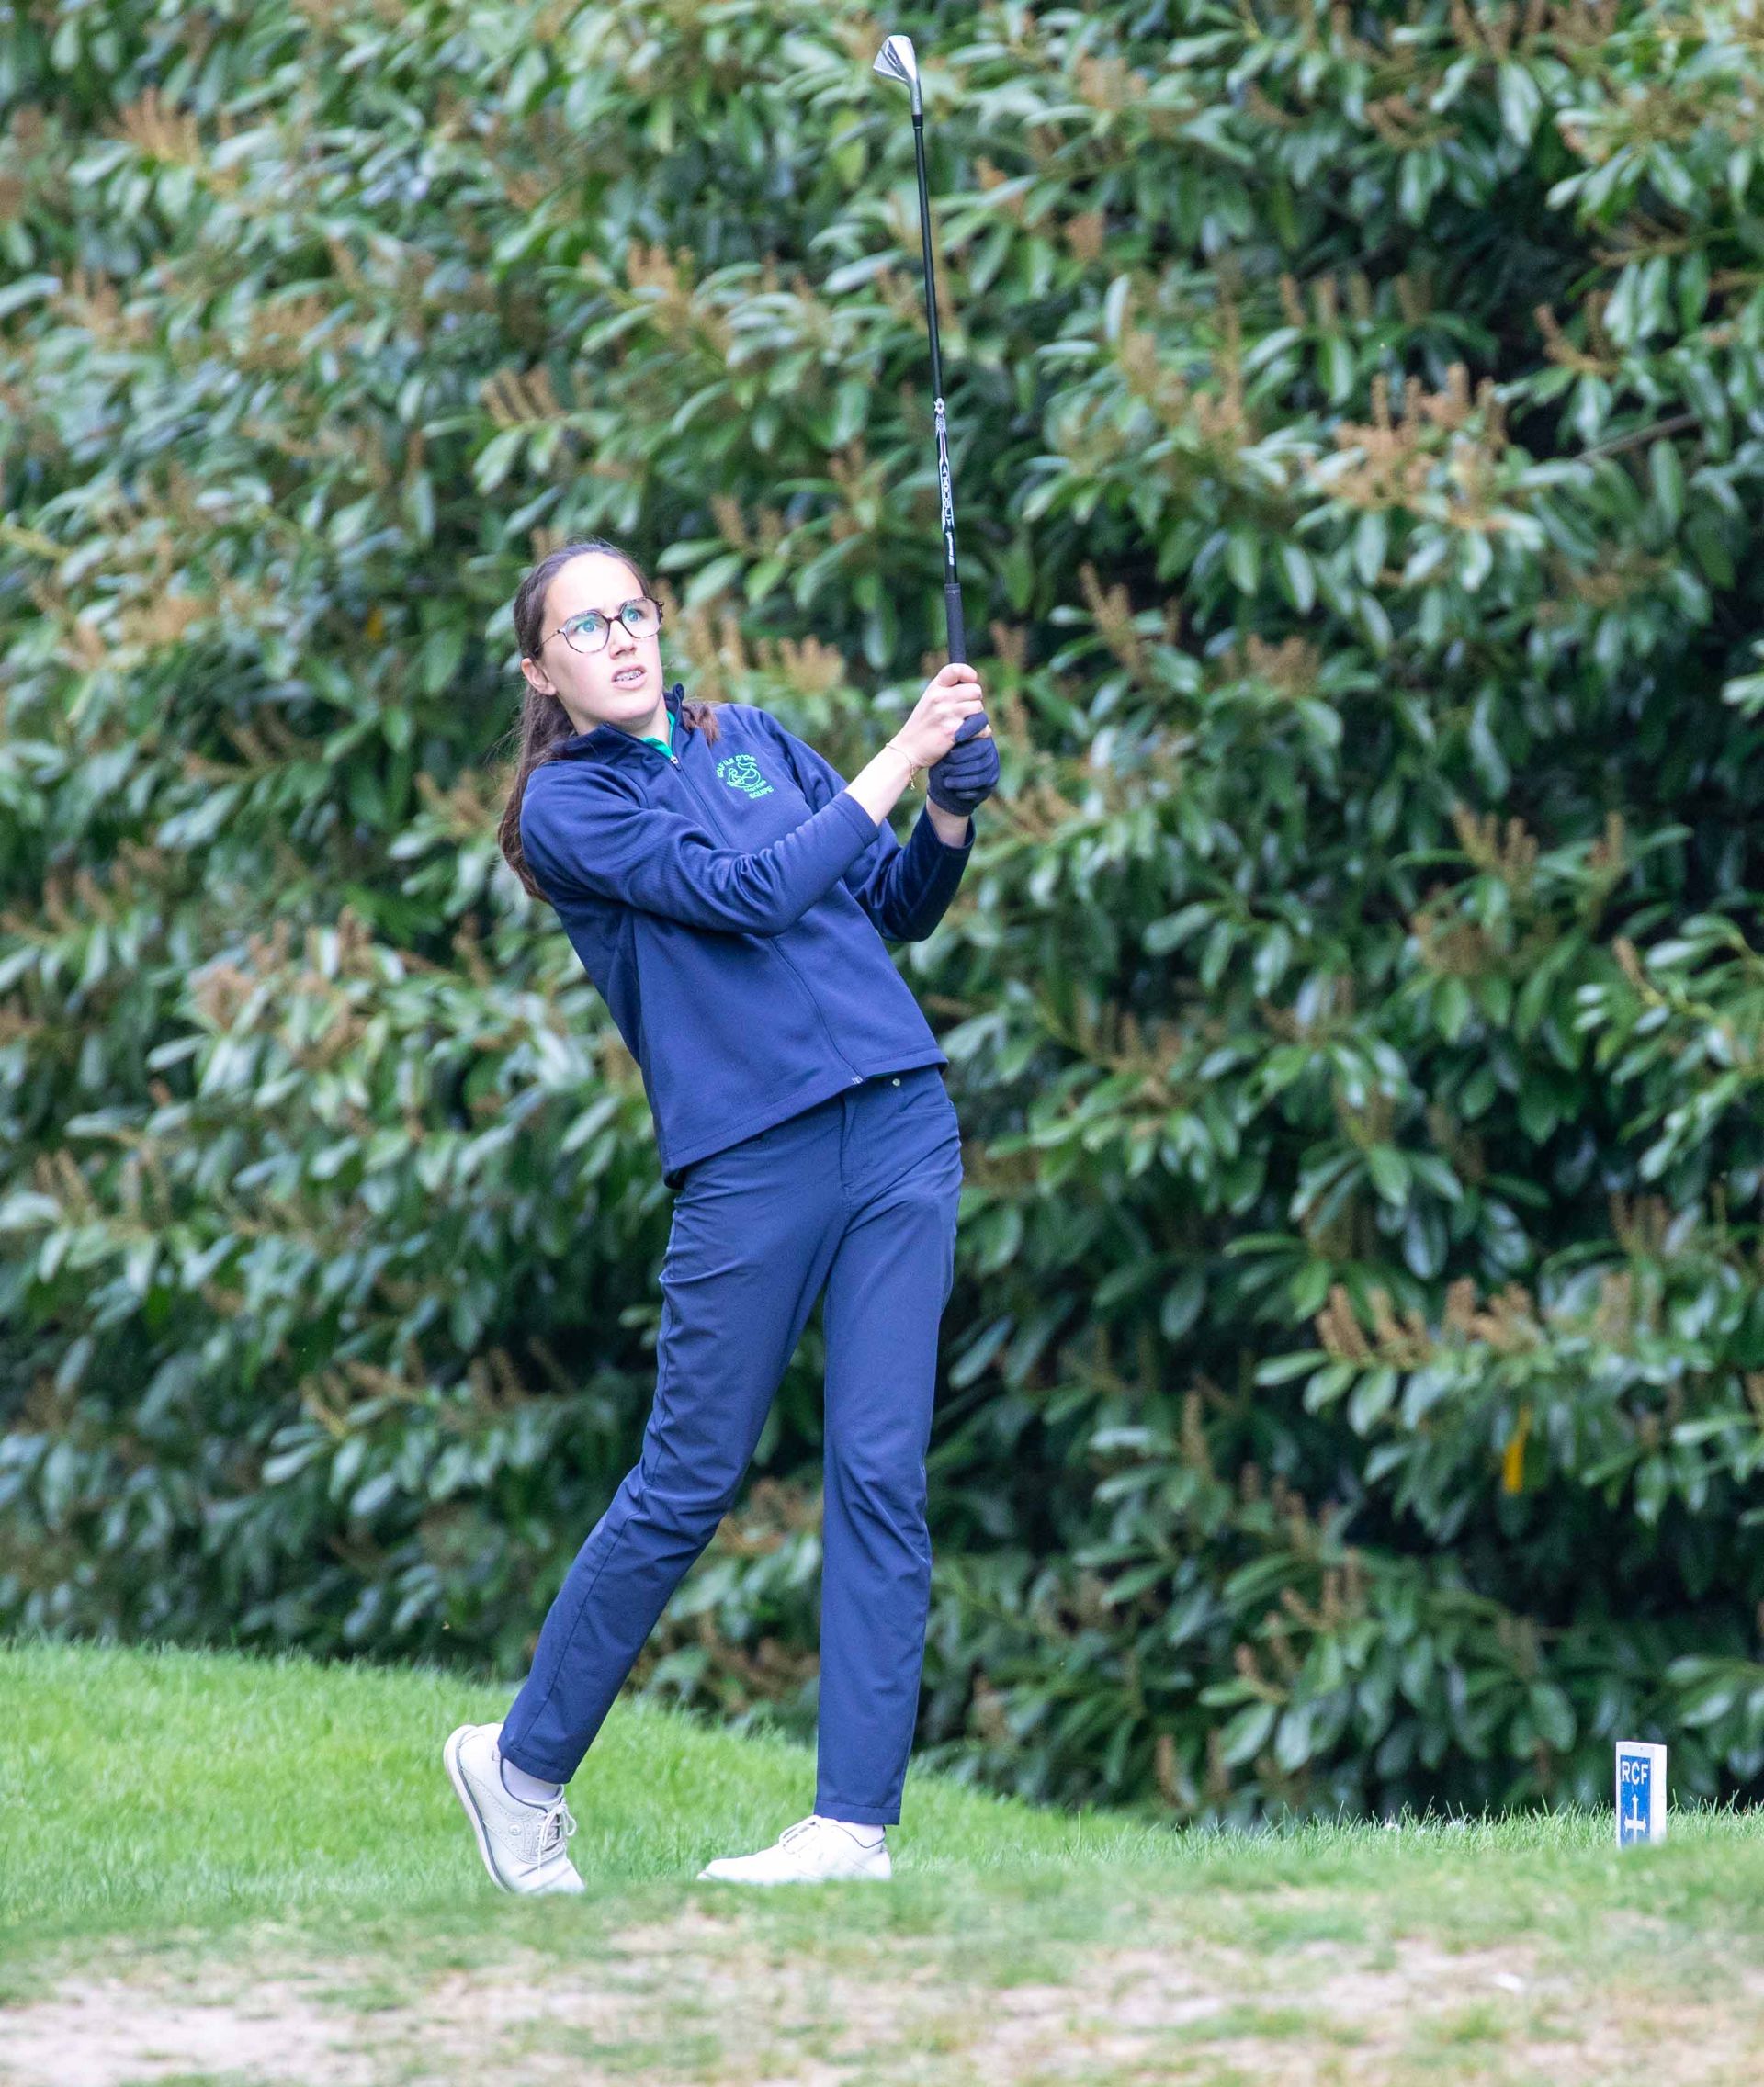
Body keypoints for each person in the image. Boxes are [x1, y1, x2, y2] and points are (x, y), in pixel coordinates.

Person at [444, 536, 1000, 1890]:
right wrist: (905, 752)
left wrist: (947, 815)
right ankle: (519, 1769)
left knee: (881, 1472)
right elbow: (748, 896)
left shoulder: (749, 738)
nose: (622, 638)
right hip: (752, 1162)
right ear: (542, 673)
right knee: (688, 1478)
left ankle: (853, 1829)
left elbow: (893, 907)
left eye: (633, 612)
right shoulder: (568, 808)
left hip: (900, 1123)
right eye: (586, 629)